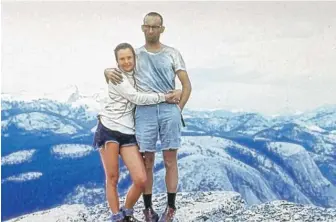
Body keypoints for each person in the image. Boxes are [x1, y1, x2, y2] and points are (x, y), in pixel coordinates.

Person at [104, 12, 192, 222]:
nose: (151, 30)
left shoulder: (172, 53)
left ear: (162, 29)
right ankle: (148, 208)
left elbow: (187, 85)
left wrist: (178, 110)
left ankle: (171, 207)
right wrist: (106, 71)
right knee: (147, 162)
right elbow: (119, 69)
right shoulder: (135, 54)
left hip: (168, 110)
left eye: (155, 27)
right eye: (148, 27)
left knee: (171, 161)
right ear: (142, 28)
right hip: (144, 112)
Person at [94, 42, 181, 222]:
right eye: (122, 59)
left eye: (129, 57)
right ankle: (117, 217)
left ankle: (127, 211)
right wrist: (165, 97)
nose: (126, 62)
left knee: (141, 179)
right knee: (112, 177)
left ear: (135, 58)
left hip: (128, 133)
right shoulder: (117, 77)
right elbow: (136, 98)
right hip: (109, 129)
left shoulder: (139, 74)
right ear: (116, 62)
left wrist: (178, 90)